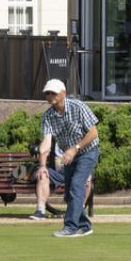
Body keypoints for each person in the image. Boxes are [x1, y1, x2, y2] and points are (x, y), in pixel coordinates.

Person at [37, 79, 100, 238]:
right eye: (47, 93)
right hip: (69, 155)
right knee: (69, 195)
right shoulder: (48, 116)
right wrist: (43, 166)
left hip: (87, 151)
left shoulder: (78, 107)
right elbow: (46, 143)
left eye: (53, 93)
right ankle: (85, 226)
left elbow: (93, 133)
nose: (50, 96)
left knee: (76, 186)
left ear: (63, 93)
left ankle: (70, 227)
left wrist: (75, 148)